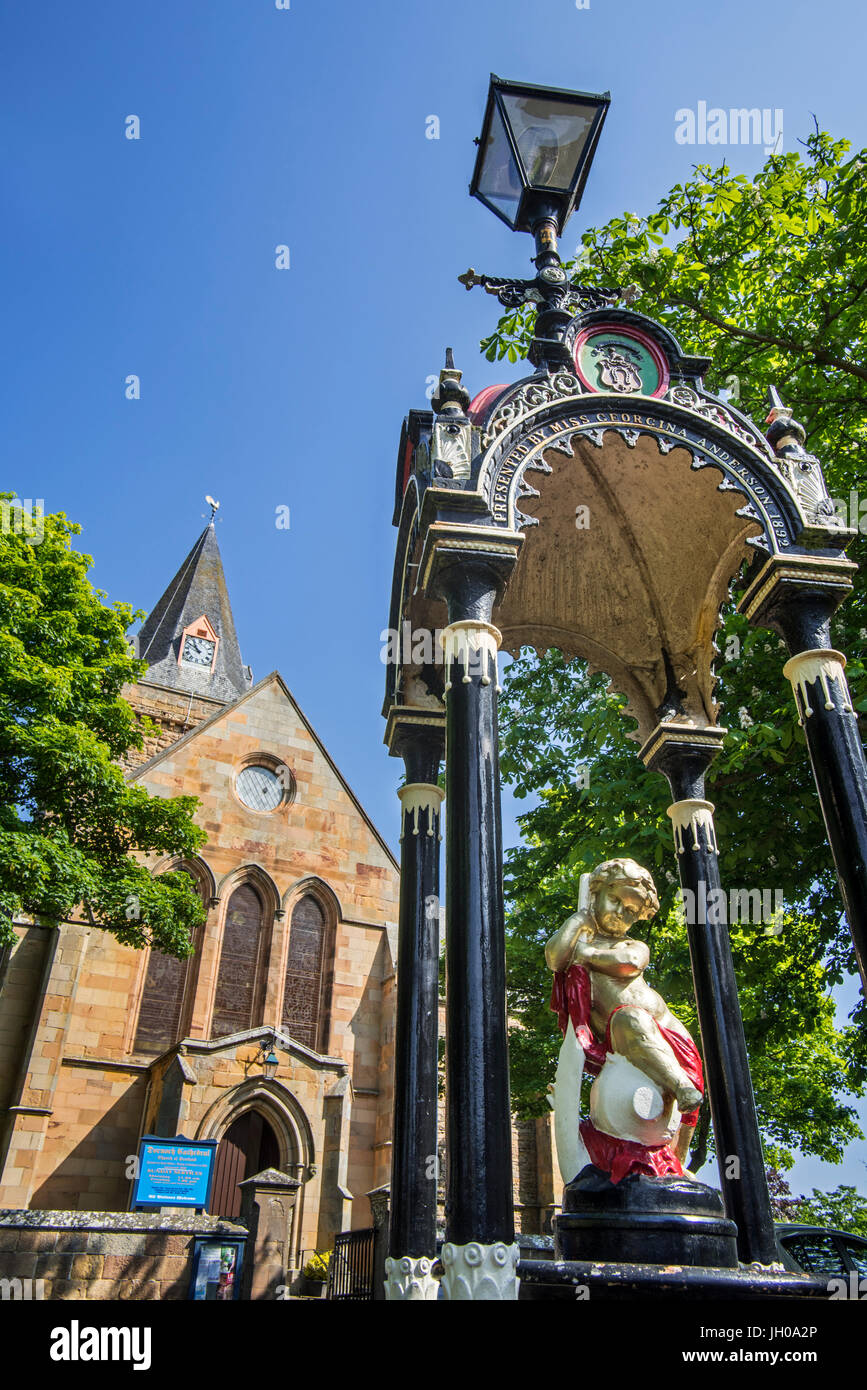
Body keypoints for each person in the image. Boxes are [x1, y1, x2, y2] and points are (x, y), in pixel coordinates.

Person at [546, 857, 702, 1171]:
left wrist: (586, 953)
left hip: (663, 1031)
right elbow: (554, 958)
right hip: (624, 1029)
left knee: (688, 1098)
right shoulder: (582, 933)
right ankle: (679, 1087)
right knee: (630, 1019)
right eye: (615, 900)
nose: (619, 913)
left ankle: (678, 1153)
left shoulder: (633, 944)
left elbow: (629, 962)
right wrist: (579, 920)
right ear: (596, 893)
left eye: (629, 911)